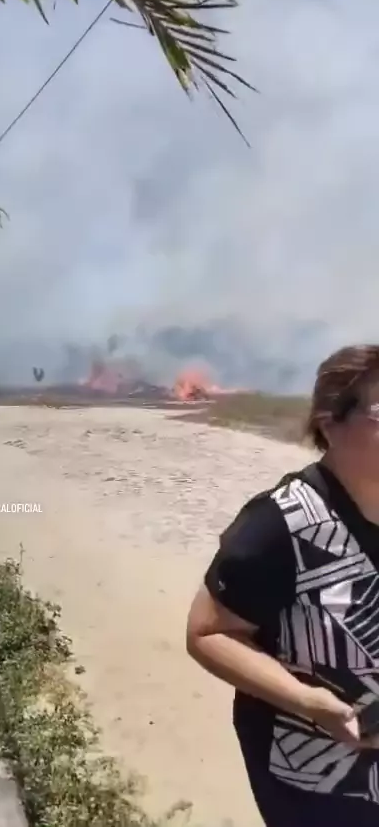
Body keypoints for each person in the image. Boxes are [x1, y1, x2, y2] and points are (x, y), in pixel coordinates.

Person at [186, 344, 379, 827]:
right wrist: (310, 703)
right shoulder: (282, 522)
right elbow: (207, 633)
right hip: (317, 782)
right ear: (329, 422)